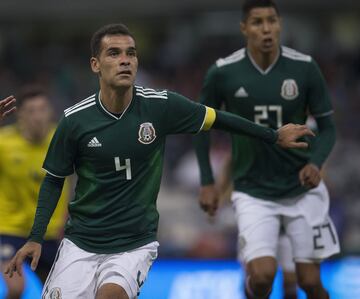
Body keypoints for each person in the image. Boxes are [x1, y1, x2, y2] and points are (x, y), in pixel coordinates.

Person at [4, 23, 313, 299]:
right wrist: (35, 237)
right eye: (114, 53)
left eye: (131, 53)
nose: (125, 60)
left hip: (133, 242)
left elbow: (219, 118)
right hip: (80, 243)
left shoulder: (161, 106)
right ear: (95, 64)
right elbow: (54, 179)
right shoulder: (75, 120)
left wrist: (272, 135)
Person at [194, 1, 340, 299]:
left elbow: (328, 128)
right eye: (258, 22)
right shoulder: (223, 73)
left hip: (301, 189)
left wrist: (316, 162)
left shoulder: (304, 67)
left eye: (271, 21)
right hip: (253, 190)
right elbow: (201, 125)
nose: (266, 28)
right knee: (261, 277)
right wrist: (209, 182)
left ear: (280, 24)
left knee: (309, 283)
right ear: (244, 28)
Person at [0, 86, 70, 299]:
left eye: (42, 109)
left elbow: (74, 180)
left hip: (48, 234)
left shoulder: (62, 139)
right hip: (10, 229)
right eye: (31, 111)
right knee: (15, 288)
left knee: (58, 294)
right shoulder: (4, 143)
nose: (38, 117)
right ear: (20, 115)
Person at [216, 154, 297, 299]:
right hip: (254, 226)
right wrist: (221, 194)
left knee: (290, 281)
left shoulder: (290, 148)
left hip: (286, 226)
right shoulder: (247, 145)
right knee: (256, 277)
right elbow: (229, 165)